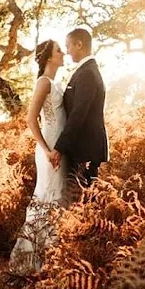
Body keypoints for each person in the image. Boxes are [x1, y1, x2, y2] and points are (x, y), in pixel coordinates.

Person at [9, 39, 69, 275]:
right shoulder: (43, 82)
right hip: (49, 147)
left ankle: (53, 255)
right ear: (48, 57)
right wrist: (46, 151)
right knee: (46, 197)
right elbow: (30, 120)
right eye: (58, 50)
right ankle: (31, 260)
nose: (63, 53)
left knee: (59, 197)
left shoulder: (57, 82)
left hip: (61, 146)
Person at [54, 27, 109, 190]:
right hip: (82, 148)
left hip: (85, 149)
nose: (66, 51)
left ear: (79, 44)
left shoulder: (88, 73)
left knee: (84, 199)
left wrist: (59, 147)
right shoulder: (86, 70)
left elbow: (79, 114)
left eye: (68, 46)